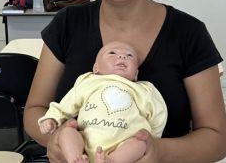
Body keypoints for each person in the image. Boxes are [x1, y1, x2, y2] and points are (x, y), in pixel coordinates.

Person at [24, 0, 226, 162]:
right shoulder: (67, 25)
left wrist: (159, 151)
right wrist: (55, 140)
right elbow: (34, 111)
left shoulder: (189, 33)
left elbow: (216, 140)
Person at [38, 41, 167, 163]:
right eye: (112, 53)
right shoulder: (89, 81)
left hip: (125, 144)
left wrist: (153, 139)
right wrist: (53, 118)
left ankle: (113, 161)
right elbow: (68, 102)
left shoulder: (143, 89)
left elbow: (158, 114)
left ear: (136, 74)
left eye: (130, 55)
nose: (122, 56)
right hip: (85, 141)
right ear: (96, 68)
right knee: (67, 132)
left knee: (140, 143)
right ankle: (75, 158)